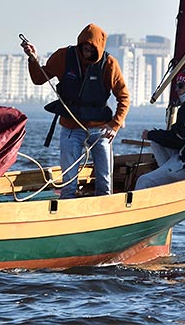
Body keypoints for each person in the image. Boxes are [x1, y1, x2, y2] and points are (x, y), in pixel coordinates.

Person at [21, 24, 130, 198]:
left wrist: (115, 125)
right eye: (84, 47)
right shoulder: (64, 56)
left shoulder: (109, 64)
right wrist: (32, 59)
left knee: (104, 180)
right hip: (70, 128)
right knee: (69, 181)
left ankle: (104, 208)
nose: (87, 51)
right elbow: (39, 78)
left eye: (91, 49)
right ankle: (67, 206)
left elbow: (124, 97)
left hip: (100, 130)